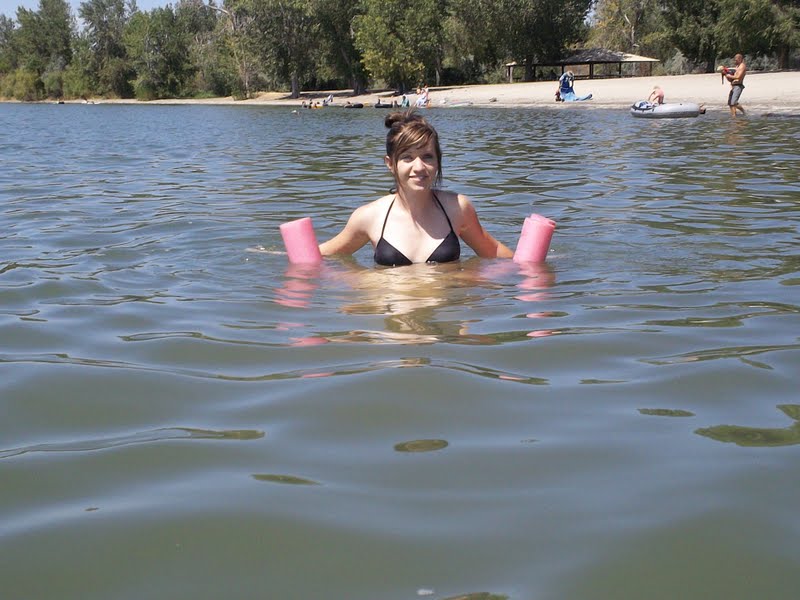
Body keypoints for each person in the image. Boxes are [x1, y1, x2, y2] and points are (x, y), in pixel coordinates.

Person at [319, 111, 514, 266]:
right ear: (390, 163)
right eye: (407, 157)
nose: (419, 167)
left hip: (446, 305)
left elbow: (497, 255)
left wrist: (471, 278)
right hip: (392, 304)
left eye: (427, 157)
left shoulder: (457, 208)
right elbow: (320, 258)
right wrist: (362, 281)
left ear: (438, 161)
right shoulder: (369, 217)